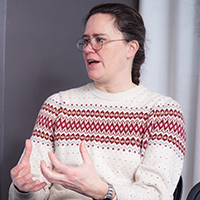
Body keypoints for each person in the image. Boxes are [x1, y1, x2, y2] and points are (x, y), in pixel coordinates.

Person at [9, 3, 186, 200]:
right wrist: (24, 189)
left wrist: (100, 190)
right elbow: (32, 191)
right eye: (86, 41)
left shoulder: (163, 112)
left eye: (99, 40)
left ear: (131, 48)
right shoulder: (57, 105)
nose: (88, 49)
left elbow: (157, 195)